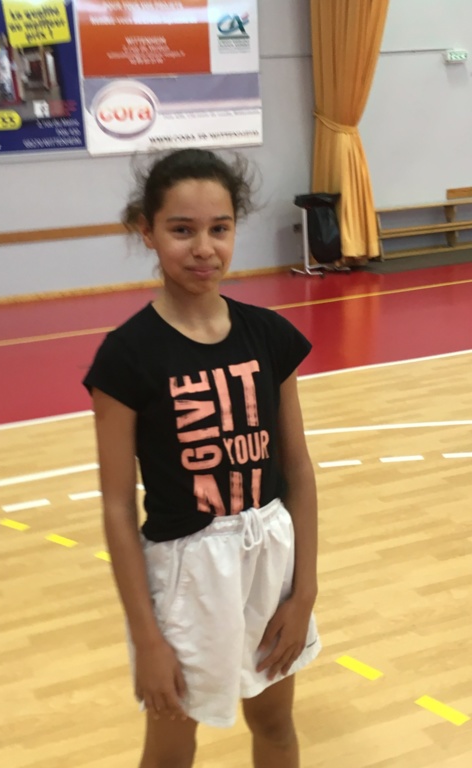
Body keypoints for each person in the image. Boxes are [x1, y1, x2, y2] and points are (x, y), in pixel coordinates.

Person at [84, 148, 320, 768]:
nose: (204, 248)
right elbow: (116, 507)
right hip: (186, 574)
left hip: (269, 558)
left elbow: (298, 471)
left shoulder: (269, 335)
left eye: (219, 228)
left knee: (275, 723)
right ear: (148, 231)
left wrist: (304, 593)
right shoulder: (126, 357)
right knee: (170, 747)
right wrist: (147, 637)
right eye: (182, 229)